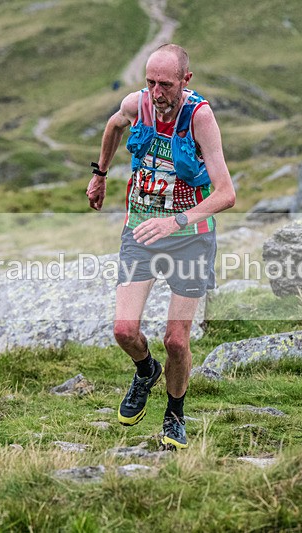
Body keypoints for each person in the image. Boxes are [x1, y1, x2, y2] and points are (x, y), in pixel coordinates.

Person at [86, 44, 235, 449]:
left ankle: (175, 414)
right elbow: (115, 125)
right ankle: (145, 370)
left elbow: (226, 193)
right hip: (140, 232)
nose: (156, 92)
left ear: (186, 81)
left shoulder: (200, 118)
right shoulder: (137, 103)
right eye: (150, 82)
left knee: (176, 340)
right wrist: (100, 174)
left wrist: (176, 220)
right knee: (124, 330)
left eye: (165, 84)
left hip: (190, 239)